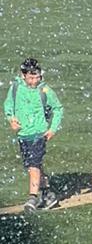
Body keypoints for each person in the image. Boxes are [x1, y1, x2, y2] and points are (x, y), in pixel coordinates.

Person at [5, 58, 63, 211]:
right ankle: (48, 194)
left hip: (39, 133)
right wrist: (11, 119)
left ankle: (32, 198)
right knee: (32, 166)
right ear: (23, 75)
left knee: (33, 164)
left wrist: (52, 129)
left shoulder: (45, 91)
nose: (34, 81)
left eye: (37, 77)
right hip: (23, 134)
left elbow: (58, 108)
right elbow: (8, 105)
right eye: (31, 78)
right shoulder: (15, 87)